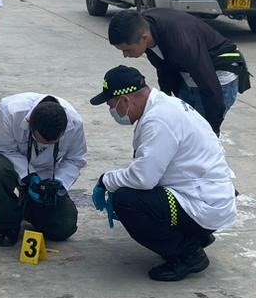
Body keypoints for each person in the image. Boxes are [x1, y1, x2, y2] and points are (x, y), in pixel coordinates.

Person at [89, 66, 235, 281]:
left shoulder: (159, 120)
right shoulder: (164, 106)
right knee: (134, 190)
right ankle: (195, 236)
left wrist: (106, 180)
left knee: (127, 200)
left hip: (203, 201)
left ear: (126, 100)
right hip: (205, 193)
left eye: (111, 105)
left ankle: (187, 254)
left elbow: (143, 178)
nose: (112, 111)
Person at [107, 8, 250, 136]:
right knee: (181, 129)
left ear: (144, 38)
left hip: (218, 75)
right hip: (189, 75)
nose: (125, 55)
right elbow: (164, 68)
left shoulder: (182, 41)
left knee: (198, 135)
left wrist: (211, 131)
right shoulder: (144, 25)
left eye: (128, 50)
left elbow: (209, 84)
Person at [0, 93, 87, 246]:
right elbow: (5, 149)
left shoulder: (74, 123)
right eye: (41, 141)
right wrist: (28, 175)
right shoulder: (9, 110)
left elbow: (75, 159)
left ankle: (27, 205)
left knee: (63, 227)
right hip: (6, 159)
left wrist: (59, 183)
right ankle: (9, 225)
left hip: (45, 172)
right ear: (29, 124)